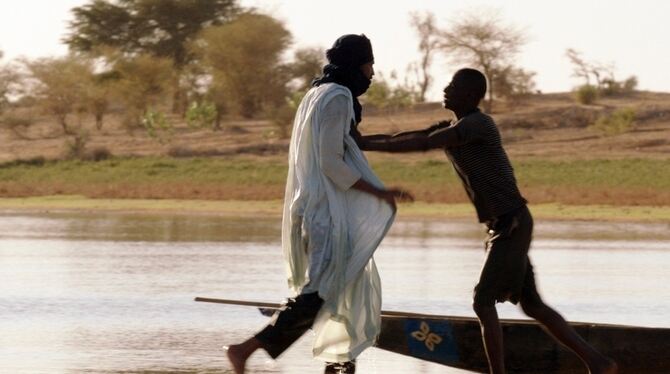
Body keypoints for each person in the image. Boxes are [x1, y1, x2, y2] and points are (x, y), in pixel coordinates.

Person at [357, 68, 618, 374]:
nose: (445, 89)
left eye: (452, 86)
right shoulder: (457, 125)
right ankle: (599, 363)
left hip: (512, 224)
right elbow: (412, 137)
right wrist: (361, 141)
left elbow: (425, 143)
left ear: (469, 95)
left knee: (483, 302)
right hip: (506, 224)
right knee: (532, 305)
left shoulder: (477, 125)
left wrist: (365, 144)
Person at [225, 34, 413, 374]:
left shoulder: (316, 94)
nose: (372, 73)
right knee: (319, 293)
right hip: (326, 214)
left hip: (318, 209)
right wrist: (380, 192)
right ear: (357, 64)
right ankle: (246, 348)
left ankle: (338, 366)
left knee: (343, 289)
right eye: (369, 64)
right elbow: (330, 163)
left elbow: (340, 147)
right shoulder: (338, 96)